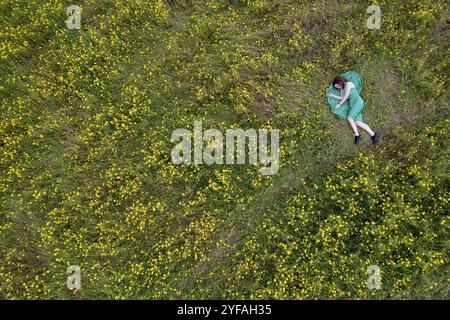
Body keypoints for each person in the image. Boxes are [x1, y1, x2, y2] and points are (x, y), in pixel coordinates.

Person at [326, 71, 379, 145]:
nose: (337, 88)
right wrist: (333, 95)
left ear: (340, 82)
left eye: (337, 86)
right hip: (352, 105)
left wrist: (340, 104)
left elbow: (346, 96)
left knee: (349, 118)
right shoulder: (341, 90)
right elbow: (342, 97)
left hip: (358, 102)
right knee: (358, 123)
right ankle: (373, 135)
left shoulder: (349, 84)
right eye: (336, 87)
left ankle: (357, 136)